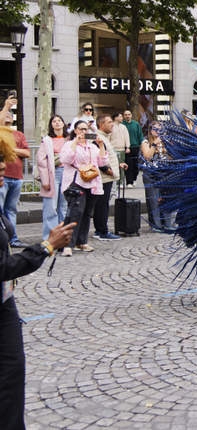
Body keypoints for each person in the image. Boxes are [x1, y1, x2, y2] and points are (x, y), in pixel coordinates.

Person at [1, 130, 75, 429]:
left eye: (3, 169)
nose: (3, 176)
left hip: (4, 303)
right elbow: (4, 267)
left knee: (12, 372)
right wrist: (46, 246)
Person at [60, 120, 108, 256]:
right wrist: (76, 142)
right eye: (80, 129)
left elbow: (102, 161)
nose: (83, 132)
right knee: (76, 211)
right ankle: (67, 244)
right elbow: (66, 159)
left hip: (91, 182)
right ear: (75, 130)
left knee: (87, 212)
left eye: (86, 129)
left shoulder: (92, 147)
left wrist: (101, 145)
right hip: (76, 182)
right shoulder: (69, 144)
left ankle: (81, 241)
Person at [0, 99, 30, 247]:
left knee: (11, 209)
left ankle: (12, 239)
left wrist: (12, 150)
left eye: (9, 116)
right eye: (4, 116)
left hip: (16, 177)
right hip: (2, 177)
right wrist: (6, 106)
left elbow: (27, 153)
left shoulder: (19, 134)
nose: (6, 118)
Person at [37, 115, 69, 241]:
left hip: (66, 173)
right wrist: (45, 180)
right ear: (51, 125)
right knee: (50, 207)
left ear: (63, 123)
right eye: (54, 121)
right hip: (52, 173)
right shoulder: (47, 140)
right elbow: (41, 161)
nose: (57, 123)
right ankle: (49, 238)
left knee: (64, 206)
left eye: (59, 121)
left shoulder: (69, 139)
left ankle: (63, 237)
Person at [92, 114, 124, 240]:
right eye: (109, 122)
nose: (112, 124)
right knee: (102, 205)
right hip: (104, 178)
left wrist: (118, 165)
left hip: (107, 177)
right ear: (101, 124)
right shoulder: (98, 138)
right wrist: (109, 171)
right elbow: (98, 158)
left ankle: (101, 229)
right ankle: (101, 231)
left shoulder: (104, 137)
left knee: (103, 204)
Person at [140, 122, 176, 232]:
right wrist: (155, 144)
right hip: (151, 173)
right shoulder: (145, 142)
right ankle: (156, 225)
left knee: (167, 197)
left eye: (160, 129)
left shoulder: (165, 141)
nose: (157, 131)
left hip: (165, 172)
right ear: (151, 130)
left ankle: (167, 223)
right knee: (153, 199)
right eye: (155, 129)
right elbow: (147, 156)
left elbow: (171, 156)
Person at [122, 110, 144, 187]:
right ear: (124, 116)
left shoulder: (136, 124)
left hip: (136, 147)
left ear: (131, 115)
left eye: (129, 114)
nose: (127, 116)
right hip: (126, 148)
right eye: (125, 115)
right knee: (128, 165)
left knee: (135, 165)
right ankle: (129, 182)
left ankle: (134, 179)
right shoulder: (122, 125)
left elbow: (140, 135)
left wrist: (142, 145)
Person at [110, 112, 130, 189]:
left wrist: (127, 147)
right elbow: (108, 137)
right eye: (120, 116)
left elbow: (127, 137)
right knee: (114, 166)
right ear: (115, 118)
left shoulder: (123, 127)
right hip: (113, 149)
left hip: (121, 149)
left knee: (122, 166)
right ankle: (115, 181)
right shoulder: (111, 126)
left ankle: (121, 181)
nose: (122, 118)